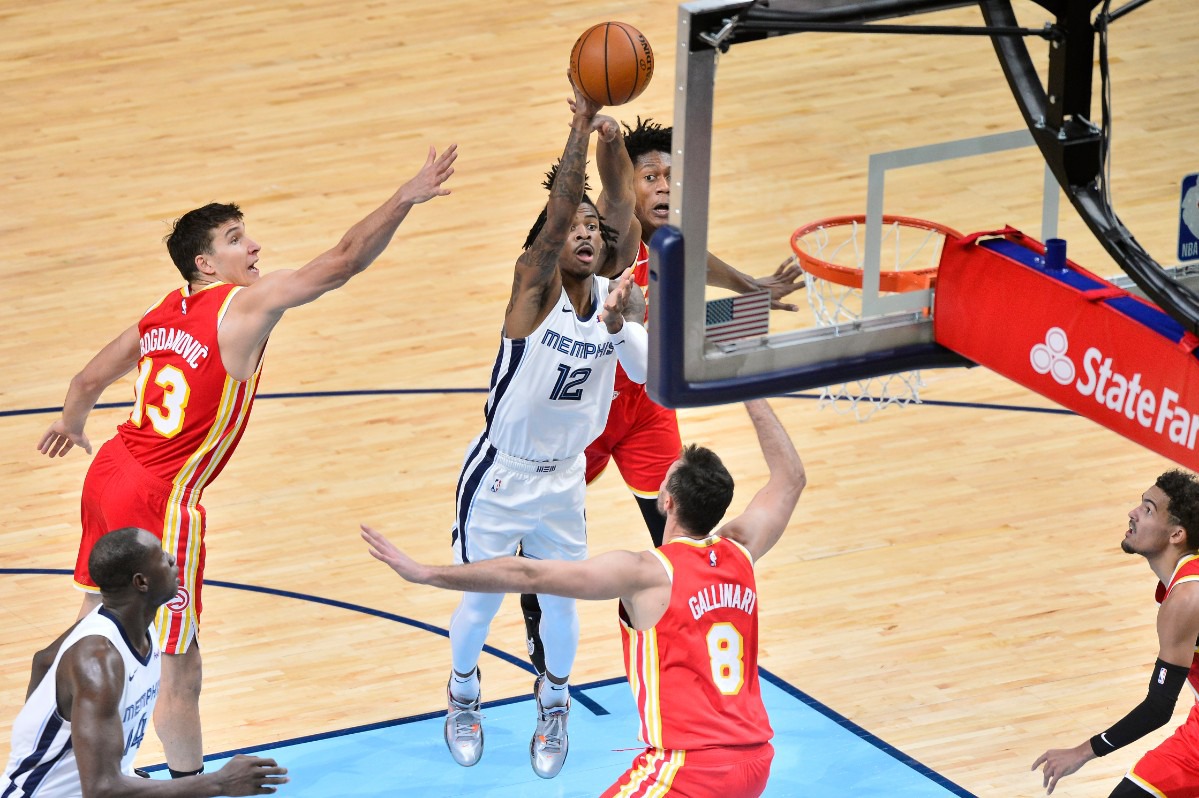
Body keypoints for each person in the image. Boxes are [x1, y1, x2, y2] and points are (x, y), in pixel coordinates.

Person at [35, 145, 456, 778]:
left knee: (95, 628)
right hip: (160, 497)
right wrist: (405, 196)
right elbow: (342, 262)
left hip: (110, 470)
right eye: (237, 240)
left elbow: (86, 378)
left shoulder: (161, 312)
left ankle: (45, 758)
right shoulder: (243, 307)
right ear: (206, 263)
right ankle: (184, 784)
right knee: (179, 661)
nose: (254, 247)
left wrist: (71, 423)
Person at [362, 398, 804, 797]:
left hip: (688, 768)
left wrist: (425, 574)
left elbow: (526, 570)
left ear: (666, 501)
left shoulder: (646, 573)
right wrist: (751, 389)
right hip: (755, 762)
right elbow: (790, 480)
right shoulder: (741, 550)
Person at [520, 116, 805, 675]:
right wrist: (609, 143)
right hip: (582, 406)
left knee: (679, 527)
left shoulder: (668, 241)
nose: (665, 187)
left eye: (671, 176)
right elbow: (657, 302)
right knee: (543, 537)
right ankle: (541, 643)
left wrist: (750, 287)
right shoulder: (609, 237)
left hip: (644, 406)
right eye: (651, 176)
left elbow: (693, 260)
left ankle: (693, 630)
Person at [427, 79, 644, 780]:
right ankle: (462, 693)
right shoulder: (532, 287)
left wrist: (614, 146)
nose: (584, 230)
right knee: (481, 602)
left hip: (563, 477)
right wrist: (580, 127)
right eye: (572, 226)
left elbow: (622, 209)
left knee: (563, 598)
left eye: (592, 228)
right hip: (499, 473)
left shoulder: (613, 297)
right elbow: (556, 221)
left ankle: (555, 702)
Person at [2, 527, 288, 797]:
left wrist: (40, 729)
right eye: (162, 557)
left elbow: (43, 660)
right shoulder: (99, 663)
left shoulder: (130, 623)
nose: (172, 559)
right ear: (141, 582)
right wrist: (218, 782)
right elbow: (102, 789)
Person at [1032, 469, 1199, 797]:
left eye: (1148, 509)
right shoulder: (1184, 585)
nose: (1133, 513)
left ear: (1176, 534)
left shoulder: (1186, 598)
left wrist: (1082, 752)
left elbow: (1158, 708)